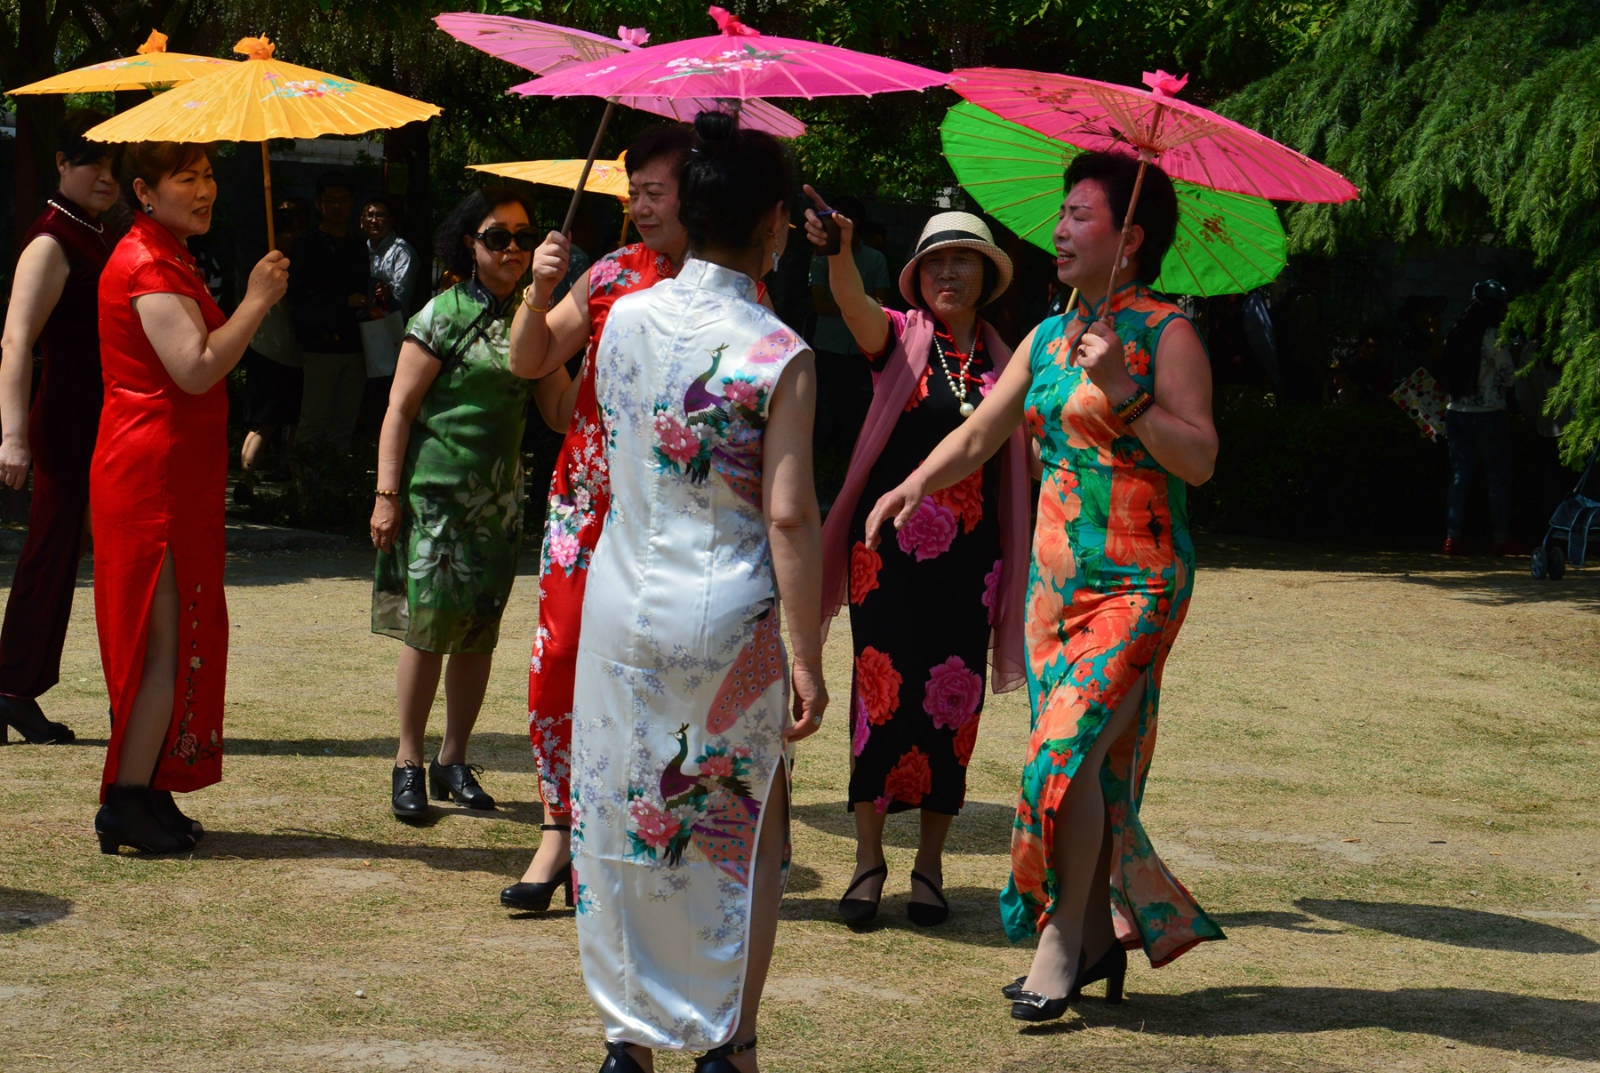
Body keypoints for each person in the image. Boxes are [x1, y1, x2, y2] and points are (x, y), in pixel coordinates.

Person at [864, 151, 1225, 1021]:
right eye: (1059, 214)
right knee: (1091, 772)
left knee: (1059, 755)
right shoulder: (1047, 334)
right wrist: (911, 483)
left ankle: (1059, 940)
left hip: (1139, 583)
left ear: (1130, 237)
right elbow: (983, 434)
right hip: (1054, 593)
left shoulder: (1165, 334)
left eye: (1080, 215)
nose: (1058, 230)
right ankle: (1096, 938)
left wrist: (1125, 392)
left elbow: (1202, 460)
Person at [569, 110, 824, 1073]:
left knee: (618, 808)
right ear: (770, 224)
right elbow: (789, 517)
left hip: (621, 597)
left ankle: (625, 1035)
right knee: (739, 823)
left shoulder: (623, 315)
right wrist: (806, 655)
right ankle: (729, 1040)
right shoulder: (777, 350)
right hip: (730, 614)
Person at [805, 196, 1031, 929]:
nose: (948, 271)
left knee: (950, 709)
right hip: (886, 556)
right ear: (916, 275)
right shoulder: (900, 339)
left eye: (963, 259)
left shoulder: (1009, 358)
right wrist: (840, 250)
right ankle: (870, 859)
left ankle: (929, 865)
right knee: (879, 702)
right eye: (935, 260)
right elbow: (850, 303)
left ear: (987, 275)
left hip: (974, 563)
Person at [498, 124, 695, 912]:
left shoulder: (729, 282)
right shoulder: (611, 271)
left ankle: (627, 832)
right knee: (562, 659)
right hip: (586, 498)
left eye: (656, 192)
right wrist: (540, 291)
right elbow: (528, 359)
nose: (641, 206)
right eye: (633, 192)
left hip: (671, 508)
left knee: (652, 672)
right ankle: (557, 828)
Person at [92, 141, 289, 853]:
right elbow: (196, 367)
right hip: (154, 474)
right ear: (145, 190)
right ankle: (125, 801)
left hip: (174, 468)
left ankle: (152, 784)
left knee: (184, 635)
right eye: (187, 177)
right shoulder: (146, 259)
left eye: (208, 175)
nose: (204, 189)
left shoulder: (164, 249)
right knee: (162, 644)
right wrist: (257, 301)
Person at [370, 187, 537, 822]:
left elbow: (554, 407)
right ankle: (408, 760)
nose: (514, 249)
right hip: (435, 500)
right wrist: (387, 496)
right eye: (499, 237)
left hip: (498, 506)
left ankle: (453, 759)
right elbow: (399, 410)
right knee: (428, 631)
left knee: (478, 635)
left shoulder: (532, 317)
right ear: (470, 244)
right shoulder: (441, 314)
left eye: (524, 237)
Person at [0, 111, 119, 744]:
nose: (105, 175)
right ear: (61, 167)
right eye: (90, 162)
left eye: (112, 165)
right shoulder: (51, 238)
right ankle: (11, 687)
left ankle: (17, 686)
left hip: (99, 417)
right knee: (49, 555)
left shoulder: (92, 231)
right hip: (65, 421)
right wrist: (12, 434)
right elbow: (16, 340)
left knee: (58, 555)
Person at [806, 194, 890, 496]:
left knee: (858, 408)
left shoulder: (875, 259)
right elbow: (818, 303)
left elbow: (883, 305)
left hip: (862, 348)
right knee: (825, 405)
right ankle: (821, 465)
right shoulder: (820, 257)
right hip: (829, 344)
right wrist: (859, 309)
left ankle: (850, 466)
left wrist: (849, 307)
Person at [1440, 279, 1519, 556]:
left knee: (1461, 476)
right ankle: (1500, 538)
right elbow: (1509, 376)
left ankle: (1452, 537)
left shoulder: (1454, 334)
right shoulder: (1492, 336)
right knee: (1497, 478)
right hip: (1488, 414)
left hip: (1456, 412)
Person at [290, 172, 367, 452]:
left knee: (343, 426)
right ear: (320, 204)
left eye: (343, 200)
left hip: (354, 344)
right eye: (331, 201)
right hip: (319, 344)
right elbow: (298, 295)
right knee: (313, 422)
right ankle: (306, 489)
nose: (338, 206)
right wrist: (342, 302)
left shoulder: (358, 246)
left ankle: (333, 489)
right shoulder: (306, 245)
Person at [360, 195, 418, 317]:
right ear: (362, 221)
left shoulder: (402, 252)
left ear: (391, 221)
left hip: (391, 325)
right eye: (370, 215)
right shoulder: (358, 250)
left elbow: (401, 300)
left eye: (380, 216)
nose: (374, 221)